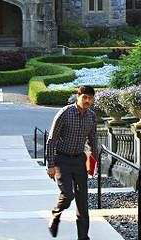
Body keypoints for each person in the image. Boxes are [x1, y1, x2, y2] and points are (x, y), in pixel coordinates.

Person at [46, 85, 99, 239]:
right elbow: (52, 140)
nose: (87, 101)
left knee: (83, 202)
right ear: (78, 96)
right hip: (61, 160)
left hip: (79, 161)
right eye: (84, 97)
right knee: (68, 195)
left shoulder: (91, 116)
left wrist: (94, 162)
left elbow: (93, 140)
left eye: (90, 98)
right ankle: (56, 213)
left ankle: (83, 237)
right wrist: (50, 165)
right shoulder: (65, 113)